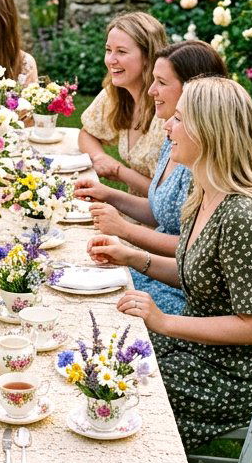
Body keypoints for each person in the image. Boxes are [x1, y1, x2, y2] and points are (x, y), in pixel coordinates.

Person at [87, 76, 252, 451]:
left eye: (178, 119)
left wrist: (163, 322)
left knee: (110, 388)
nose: (166, 127)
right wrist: (134, 257)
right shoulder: (205, 192)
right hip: (192, 346)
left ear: (208, 132)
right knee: (95, 349)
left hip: (226, 373)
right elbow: (195, 273)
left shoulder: (244, 215)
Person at [75, 41, 227, 314]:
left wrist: (125, 231)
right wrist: (109, 194)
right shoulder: (174, 136)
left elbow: (194, 248)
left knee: (92, 306)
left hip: (180, 291)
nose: (151, 90)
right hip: (161, 270)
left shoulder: (202, 157)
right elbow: (162, 212)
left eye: (161, 82)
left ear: (193, 91)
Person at [77, 11, 168, 197]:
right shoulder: (117, 92)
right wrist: (100, 157)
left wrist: (118, 171)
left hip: (160, 220)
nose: (110, 60)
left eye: (121, 51)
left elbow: (165, 197)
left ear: (148, 57)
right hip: (134, 208)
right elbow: (87, 133)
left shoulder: (167, 109)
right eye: (108, 50)